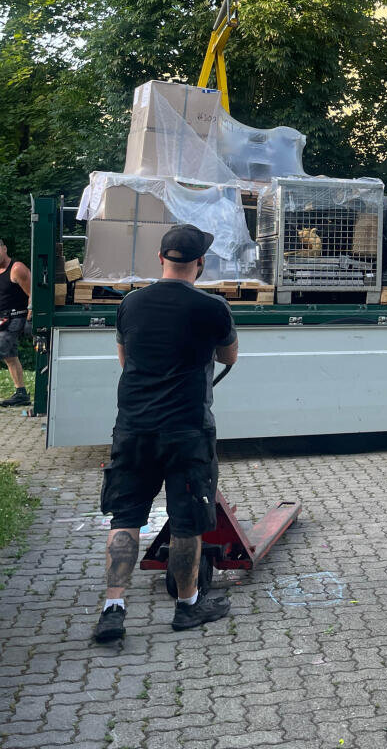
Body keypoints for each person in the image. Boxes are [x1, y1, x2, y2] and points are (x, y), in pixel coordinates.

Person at [94, 224, 238, 643]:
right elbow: (229, 355)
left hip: (134, 426)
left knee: (125, 516)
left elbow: (125, 359)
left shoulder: (131, 304)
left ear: (160, 259)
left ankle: (113, 608)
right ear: (200, 264)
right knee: (187, 520)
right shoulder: (212, 307)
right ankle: (188, 606)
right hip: (186, 429)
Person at [0, 238, 32, 409]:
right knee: (8, 355)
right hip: (3, 317)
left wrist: (30, 317)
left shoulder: (17, 269)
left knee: (4, 345)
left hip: (19, 316)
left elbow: (33, 293)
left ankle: (22, 393)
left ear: (4, 248)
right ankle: (21, 393)